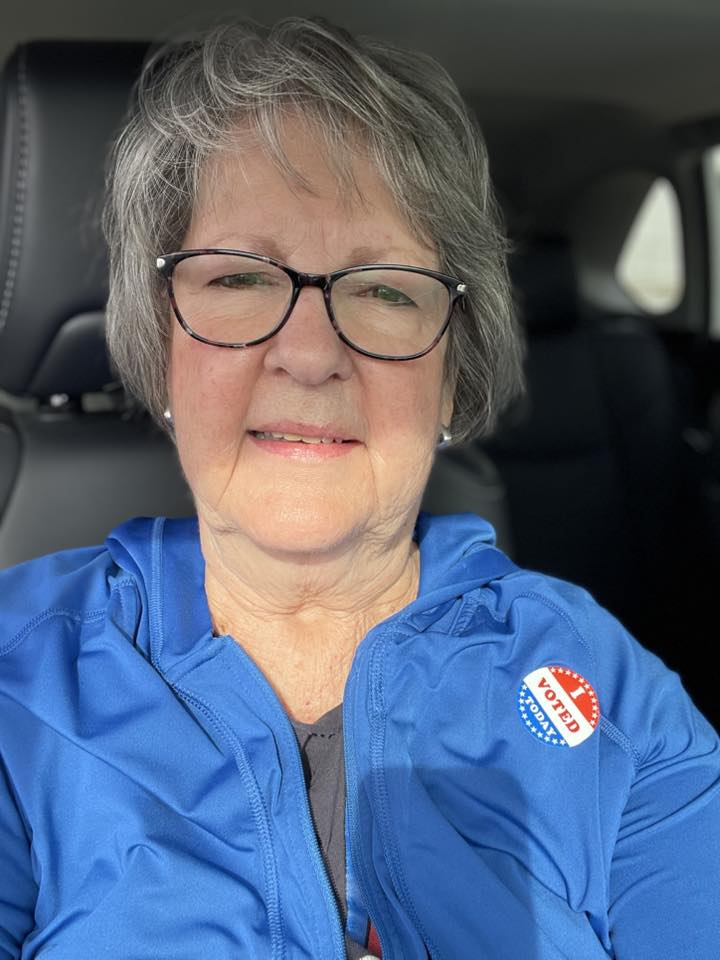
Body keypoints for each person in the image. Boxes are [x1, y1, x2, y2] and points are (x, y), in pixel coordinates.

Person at [1, 17, 718, 960]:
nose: (308, 354)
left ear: (452, 374)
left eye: (385, 289)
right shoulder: (18, 680)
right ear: (159, 343)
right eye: (239, 279)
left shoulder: (611, 694)